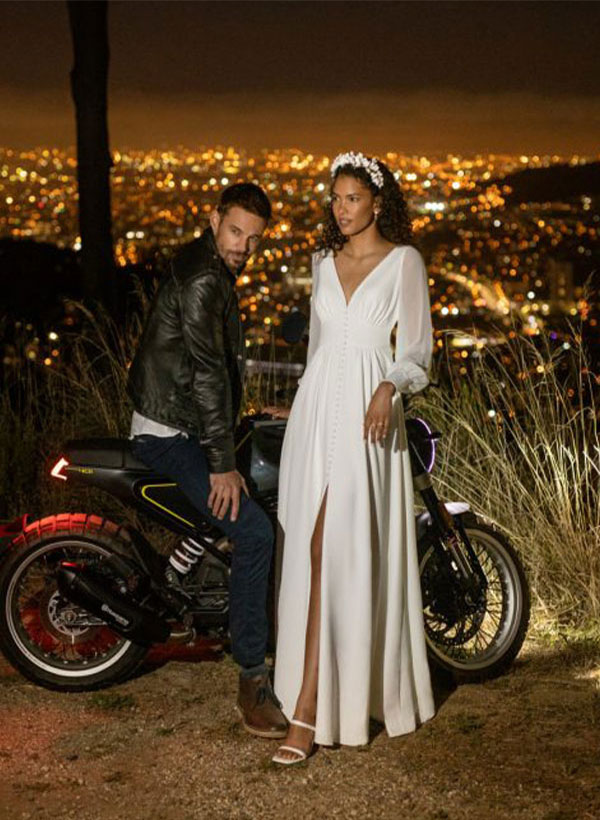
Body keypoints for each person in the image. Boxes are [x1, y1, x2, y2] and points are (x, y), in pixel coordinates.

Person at [265, 152, 435, 764]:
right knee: (313, 551)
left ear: (378, 203)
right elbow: (319, 348)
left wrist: (389, 386)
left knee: (335, 548)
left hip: (370, 419)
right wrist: (297, 403)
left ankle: (308, 710)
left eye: (353, 198)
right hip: (317, 417)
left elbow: (417, 351)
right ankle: (318, 696)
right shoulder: (322, 262)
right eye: (335, 198)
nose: (341, 209)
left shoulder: (404, 262)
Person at [126, 183, 287, 740]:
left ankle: (198, 584)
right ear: (215, 220)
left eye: (254, 238)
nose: (243, 245)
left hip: (180, 420)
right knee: (256, 534)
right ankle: (252, 679)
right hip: (170, 433)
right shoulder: (203, 280)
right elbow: (206, 374)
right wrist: (221, 463)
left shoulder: (209, 264)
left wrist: (245, 421)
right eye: (235, 231)